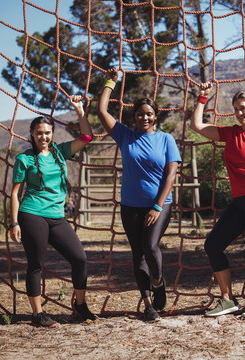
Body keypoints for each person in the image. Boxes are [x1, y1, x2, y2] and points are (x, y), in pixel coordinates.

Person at [97, 68, 181, 322]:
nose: (145, 118)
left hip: (159, 204)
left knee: (150, 245)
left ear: (155, 116)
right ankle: (148, 305)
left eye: (149, 114)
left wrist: (156, 206)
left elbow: (170, 175)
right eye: (140, 114)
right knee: (137, 253)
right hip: (130, 205)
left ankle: (158, 281)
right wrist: (111, 81)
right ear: (135, 116)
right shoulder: (126, 136)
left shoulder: (166, 139)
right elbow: (101, 111)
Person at [190, 82, 245, 318]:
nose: (239, 113)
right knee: (213, 244)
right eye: (235, 109)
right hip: (240, 201)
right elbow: (197, 126)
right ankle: (228, 300)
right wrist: (202, 97)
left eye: (243, 108)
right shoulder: (231, 133)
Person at [10, 95, 96, 328]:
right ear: (32, 133)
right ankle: (38, 315)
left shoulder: (60, 152)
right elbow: (16, 193)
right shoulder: (24, 159)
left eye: (47, 132)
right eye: (39, 132)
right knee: (36, 265)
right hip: (32, 214)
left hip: (57, 217)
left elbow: (87, 136)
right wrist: (14, 223)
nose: (43, 136)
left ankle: (79, 306)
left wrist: (79, 110)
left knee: (80, 258)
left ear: (52, 134)